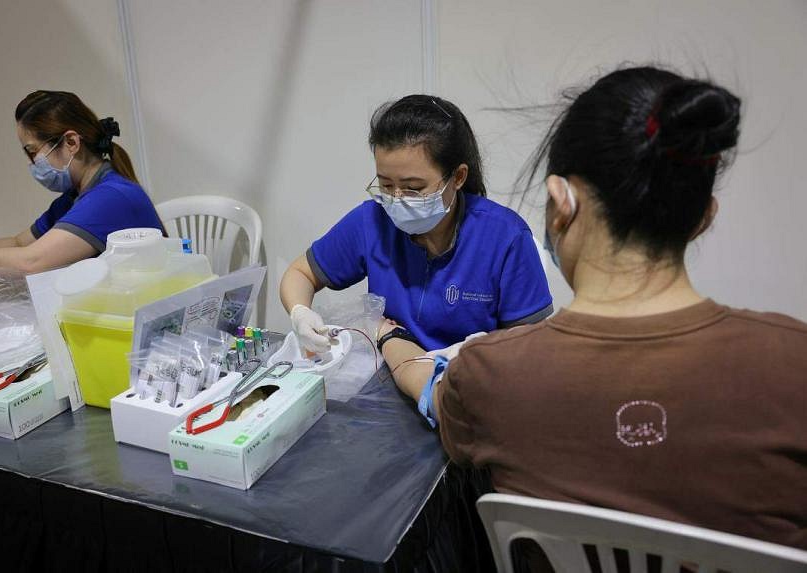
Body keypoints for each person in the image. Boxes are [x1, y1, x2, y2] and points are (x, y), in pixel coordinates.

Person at [395, 67, 807, 551]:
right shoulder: (792, 363)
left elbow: (431, 392)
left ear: (559, 206)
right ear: (703, 217)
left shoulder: (490, 374)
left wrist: (389, 340)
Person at [279, 95, 552, 355]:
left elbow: (531, 344)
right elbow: (300, 273)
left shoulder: (505, 238)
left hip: (472, 382)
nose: (396, 198)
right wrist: (300, 312)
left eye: (412, 188)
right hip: (391, 374)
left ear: (457, 177)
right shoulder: (371, 222)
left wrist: (480, 354)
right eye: (386, 184)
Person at [0, 90, 164, 282]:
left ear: (71, 143)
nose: (32, 163)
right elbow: (19, 243)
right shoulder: (74, 198)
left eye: (32, 152)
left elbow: (30, 261)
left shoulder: (109, 197)